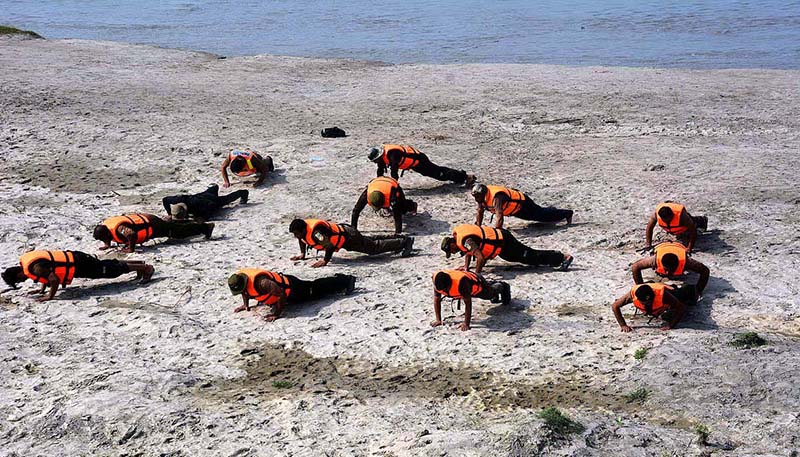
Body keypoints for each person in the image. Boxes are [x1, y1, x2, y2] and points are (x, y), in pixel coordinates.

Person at [2, 250, 154, 301]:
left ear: (18, 273)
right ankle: (138, 264)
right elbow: (47, 274)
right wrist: (42, 290)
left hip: (79, 264)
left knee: (109, 271)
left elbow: (53, 280)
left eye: (20, 280)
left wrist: (49, 296)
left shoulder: (35, 268)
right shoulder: (29, 263)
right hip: (77, 259)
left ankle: (145, 268)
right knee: (106, 266)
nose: (23, 280)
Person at [228, 268, 356, 322]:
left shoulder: (262, 283)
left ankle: (346, 281)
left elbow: (281, 294)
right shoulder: (241, 280)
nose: (243, 292)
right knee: (315, 287)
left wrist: (276, 314)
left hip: (294, 289)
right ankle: (340, 280)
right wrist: (245, 305)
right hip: (285, 292)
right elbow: (245, 292)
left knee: (316, 289)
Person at [440, 224, 573, 273]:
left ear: (452, 244)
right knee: (524, 259)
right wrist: (466, 268)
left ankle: (563, 257)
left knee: (530, 256)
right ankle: (557, 258)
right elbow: (468, 252)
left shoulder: (465, 240)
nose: (452, 252)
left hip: (504, 241)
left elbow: (479, 257)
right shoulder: (459, 235)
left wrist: (477, 275)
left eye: (450, 251)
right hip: (501, 245)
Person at [288, 218, 414, 267]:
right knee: (368, 241)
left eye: (296, 233)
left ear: (303, 229)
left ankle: (404, 242)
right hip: (346, 233)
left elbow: (329, 246)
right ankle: (396, 238)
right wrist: (302, 254)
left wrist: (325, 261)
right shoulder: (303, 233)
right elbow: (302, 240)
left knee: (373, 248)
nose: (296, 236)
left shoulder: (316, 233)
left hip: (348, 237)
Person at [430, 270, 511, 331]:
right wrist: (438, 319)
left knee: (490, 295)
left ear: (449, 284)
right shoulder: (437, 282)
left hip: (477, 282)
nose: (443, 291)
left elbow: (468, 304)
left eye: (445, 289)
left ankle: (503, 285)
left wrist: (466, 323)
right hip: (469, 284)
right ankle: (491, 284)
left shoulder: (462, 284)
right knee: (491, 294)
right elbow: (437, 299)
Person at [93, 213, 214, 253]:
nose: (105, 240)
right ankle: (193, 222)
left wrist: (130, 248)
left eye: (105, 239)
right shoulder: (106, 226)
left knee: (178, 233)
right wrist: (107, 245)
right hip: (147, 219)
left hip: (152, 224)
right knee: (174, 226)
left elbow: (131, 234)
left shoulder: (119, 228)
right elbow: (106, 235)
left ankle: (205, 228)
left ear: (107, 233)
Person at [471, 184, 573, 229]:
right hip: (516, 210)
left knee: (541, 216)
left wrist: (498, 232)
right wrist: (478, 227)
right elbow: (480, 211)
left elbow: (499, 216)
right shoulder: (481, 197)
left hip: (523, 203)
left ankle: (567, 213)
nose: (476, 199)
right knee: (539, 215)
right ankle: (552, 210)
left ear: (483, 194)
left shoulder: (497, 197)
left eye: (477, 197)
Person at [367, 144, 475, 186]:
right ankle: (460, 177)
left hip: (420, 160)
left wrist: (392, 186)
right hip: (414, 165)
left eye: (375, 161)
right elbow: (380, 171)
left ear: (379, 156)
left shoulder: (392, 154)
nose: (376, 163)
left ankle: (465, 177)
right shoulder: (382, 158)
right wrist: (379, 183)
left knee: (439, 173)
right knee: (437, 172)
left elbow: (394, 172)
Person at [631, 242, 710, 297]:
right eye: (666, 269)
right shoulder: (654, 260)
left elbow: (705, 271)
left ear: (678, 265)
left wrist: (698, 290)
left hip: (678, 246)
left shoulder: (687, 262)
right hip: (662, 246)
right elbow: (635, 267)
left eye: (671, 270)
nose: (668, 272)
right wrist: (640, 286)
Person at [611, 282, 699, 332]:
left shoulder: (663, 295)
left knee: (687, 296)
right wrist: (623, 325)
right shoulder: (631, 295)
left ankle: (685, 288)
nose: (647, 304)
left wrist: (671, 325)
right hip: (649, 286)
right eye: (644, 303)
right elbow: (615, 306)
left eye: (649, 302)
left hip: (670, 292)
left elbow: (681, 308)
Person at [351, 176, 418, 234]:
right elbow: (356, 210)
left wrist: (398, 233)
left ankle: (413, 205)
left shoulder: (393, 197)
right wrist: (353, 229)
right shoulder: (366, 195)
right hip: (378, 183)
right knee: (391, 206)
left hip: (393, 185)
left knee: (402, 209)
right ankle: (386, 208)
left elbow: (397, 215)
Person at [162, 184, 248, 221]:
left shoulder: (195, 206)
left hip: (210, 201)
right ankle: (215, 187)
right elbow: (165, 199)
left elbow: (211, 205)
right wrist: (169, 213)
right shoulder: (178, 199)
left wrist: (204, 217)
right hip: (201, 195)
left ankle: (242, 192)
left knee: (226, 199)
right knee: (210, 191)